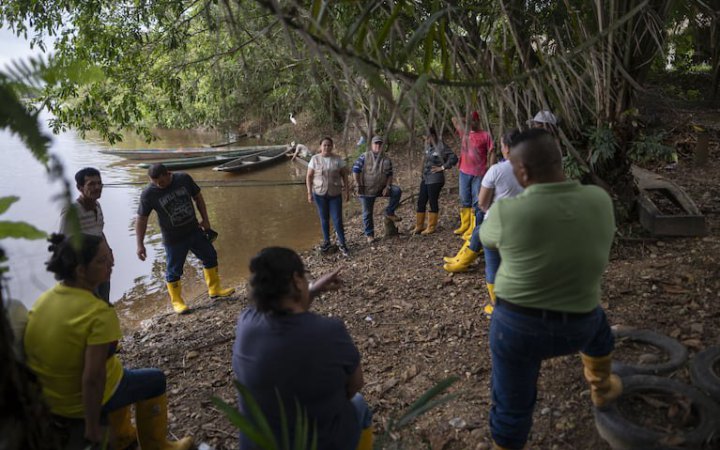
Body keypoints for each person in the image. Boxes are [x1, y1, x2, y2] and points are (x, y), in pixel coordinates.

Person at [479, 129, 621, 450]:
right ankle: (601, 388)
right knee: (601, 332)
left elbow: (487, 238)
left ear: (523, 171)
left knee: (511, 403)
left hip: (517, 329)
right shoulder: (599, 198)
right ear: (559, 160)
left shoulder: (507, 212)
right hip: (581, 324)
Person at [24, 233, 192, 450]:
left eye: (109, 256)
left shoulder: (43, 301)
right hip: (79, 403)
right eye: (102, 261)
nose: (111, 263)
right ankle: (157, 445)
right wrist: (92, 425)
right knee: (155, 380)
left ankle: (123, 435)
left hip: (52, 398)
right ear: (80, 271)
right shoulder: (98, 313)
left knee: (119, 368)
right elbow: (93, 379)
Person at [232, 247, 373, 450]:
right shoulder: (329, 332)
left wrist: (312, 289)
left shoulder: (246, 322)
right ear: (297, 280)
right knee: (359, 405)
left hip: (261, 443)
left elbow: (283, 311)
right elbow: (355, 385)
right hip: (319, 443)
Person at [136, 164, 235, 314]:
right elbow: (142, 219)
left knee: (210, 256)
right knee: (174, 270)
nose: (158, 185)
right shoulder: (149, 194)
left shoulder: (183, 179)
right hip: (173, 238)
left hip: (194, 230)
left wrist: (206, 220)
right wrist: (140, 244)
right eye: (154, 182)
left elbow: (198, 198)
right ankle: (177, 302)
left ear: (168, 173)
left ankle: (214, 289)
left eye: (161, 182)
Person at [443, 130, 521, 276]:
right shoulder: (531, 167)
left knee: (480, 230)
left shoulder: (497, 170)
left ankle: (462, 261)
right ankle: (460, 258)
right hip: (522, 218)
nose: (501, 149)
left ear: (508, 148)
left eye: (502, 146)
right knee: (479, 229)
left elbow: (482, 203)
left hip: (501, 221)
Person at [59, 167, 113, 302]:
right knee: (90, 307)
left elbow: (98, 231)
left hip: (102, 266)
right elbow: (63, 243)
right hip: (85, 270)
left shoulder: (97, 206)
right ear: (80, 187)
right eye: (91, 184)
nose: (97, 187)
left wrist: (108, 251)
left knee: (104, 304)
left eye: (99, 183)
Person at [451, 111, 494, 241]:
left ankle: (474, 227)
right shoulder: (465, 133)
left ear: (478, 121)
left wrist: (491, 169)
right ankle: (465, 225)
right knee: (464, 198)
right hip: (464, 170)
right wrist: (466, 119)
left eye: (473, 121)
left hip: (479, 172)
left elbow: (491, 152)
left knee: (477, 200)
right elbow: (453, 118)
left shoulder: (485, 135)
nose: (471, 124)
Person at [352, 136, 402, 243]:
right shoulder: (364, 157)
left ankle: (389, 211)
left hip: (381, 188)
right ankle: (370, 235)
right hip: (366, 189)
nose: (378, 146)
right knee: (367, 213)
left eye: (380, 144)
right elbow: (355, 170)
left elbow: (390, 175)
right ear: (371, 145)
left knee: (396, 191)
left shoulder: (387, 160)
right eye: (376, 144)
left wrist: (388, 186)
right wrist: (358, 184)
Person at [306, 137, 351, 256]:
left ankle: (342, 243)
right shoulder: (314, 159)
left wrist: (347, 191)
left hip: (335, 194)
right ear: (320, 147)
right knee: (324, 219)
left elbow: (345, 175)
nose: (326, 147)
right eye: (324, 145)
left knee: (337, 219)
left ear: (332, 146)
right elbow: (309, 176)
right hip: (319, 194)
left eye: (329, 145)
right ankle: (327, 242)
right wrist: (309, 193)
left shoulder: (337, 159)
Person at [412, 127, 458, 235]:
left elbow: (454, 158)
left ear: (432, 136)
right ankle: (419, 225)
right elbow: (425, 159)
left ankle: (431, 226)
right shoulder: (428, 146)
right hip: (426, 177)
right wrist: (421, 170)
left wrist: (442, 167)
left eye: (427, 138)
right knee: (421, 201)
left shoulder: (442, 147)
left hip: (435, 179)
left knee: (432, 201)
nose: (426, 141)